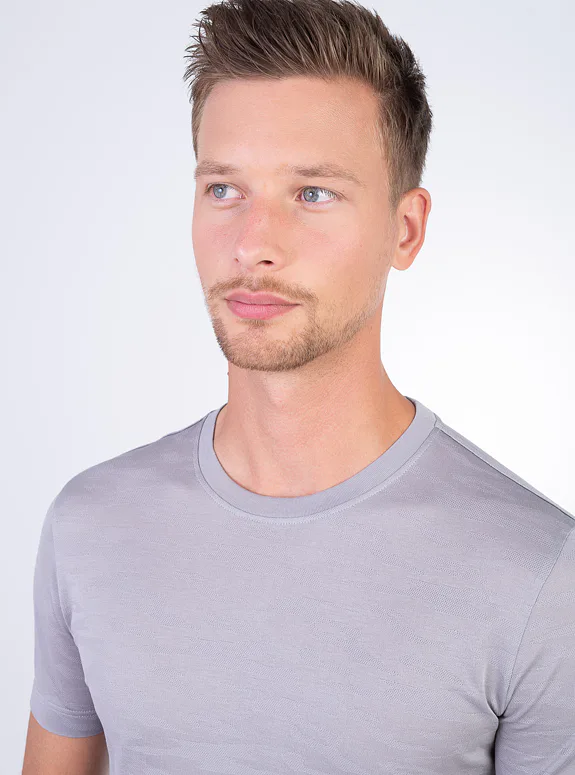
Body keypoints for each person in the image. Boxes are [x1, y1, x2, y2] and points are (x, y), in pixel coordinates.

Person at [22, 0, 575, 773]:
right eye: (224, 189)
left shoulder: (540, 575)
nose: (253, 245)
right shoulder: (89, 527)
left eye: (312, 193)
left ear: (405, 230)